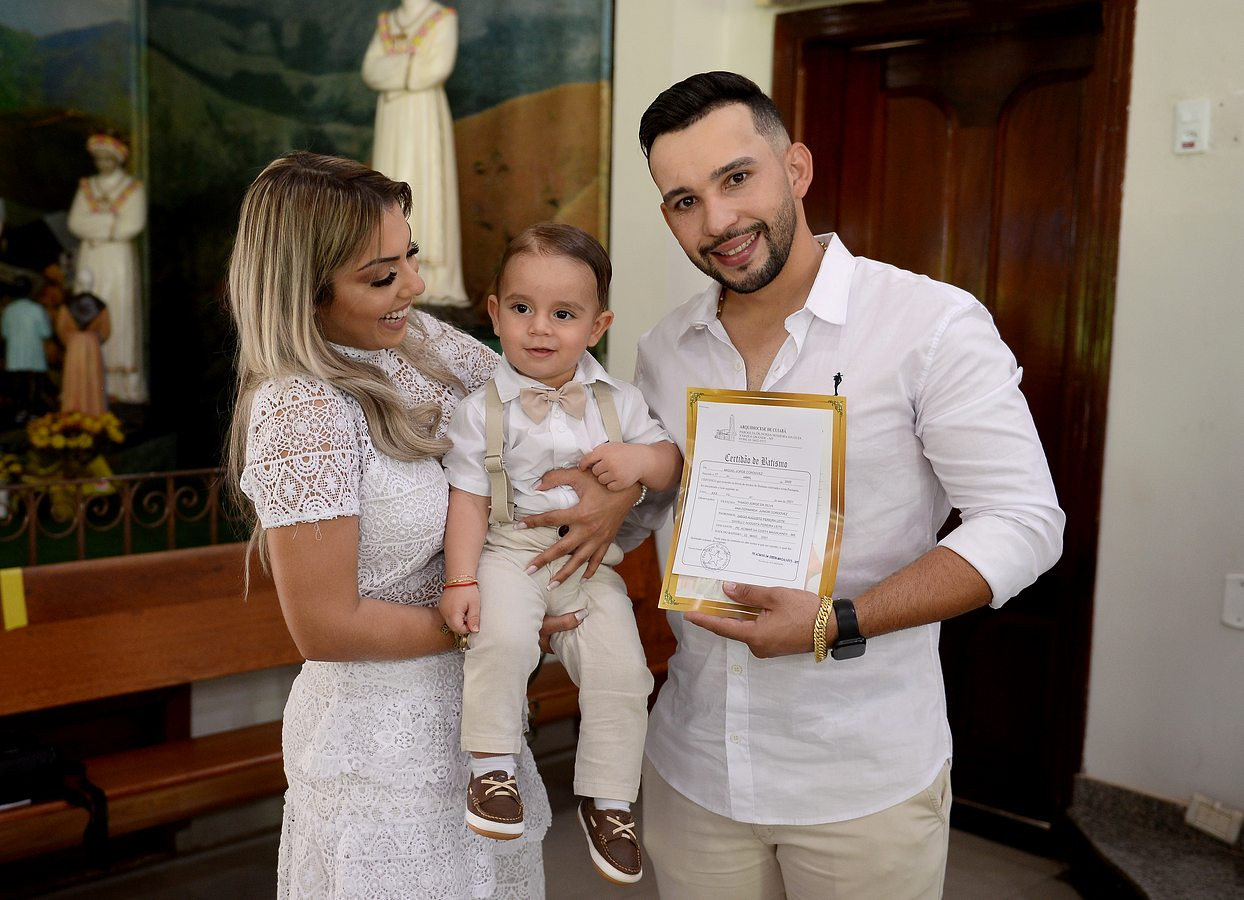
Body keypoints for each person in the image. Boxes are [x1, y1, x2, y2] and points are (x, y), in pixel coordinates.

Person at [628, 72, 1065, 899]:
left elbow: (1023, 521)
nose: (717, 221)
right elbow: (657, 505)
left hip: (859, 777)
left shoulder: (929, 324)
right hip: (694, 762)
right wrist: (593, 516)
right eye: (686, 201)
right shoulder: (664, 350)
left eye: (736, 178)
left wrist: (839, 620)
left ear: (795, 168)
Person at [227, 151, 584, 898]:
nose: (415, 287)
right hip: (378, 749)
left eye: (410, 257)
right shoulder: (300, 409)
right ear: (305, 289)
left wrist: (622, 478)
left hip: (476, 721)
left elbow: (538, 396)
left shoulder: (415, 340)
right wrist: (496, 625)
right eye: (382, 276)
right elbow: (326, 626)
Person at [439, 223, 681, 884]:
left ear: (598, 326)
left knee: (624, 670)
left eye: (564, 314)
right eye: (523, 308)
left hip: (589, 562)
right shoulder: (479, 410)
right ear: (495, 314)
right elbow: (468, 500)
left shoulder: (620, 402)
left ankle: (609, 801)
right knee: (502, 640)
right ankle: (492, 768)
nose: (540, 327)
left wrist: (640, 462)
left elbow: (669, 463)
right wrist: (460, 579)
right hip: (511, 551)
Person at [362, 0, 469, 307]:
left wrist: (394, 68)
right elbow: (371, 70)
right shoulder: (388, 21)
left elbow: (435, 69)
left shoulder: (442, 18)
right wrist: (410, 62)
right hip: (392, 117)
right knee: (389, 180)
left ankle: (434, 278)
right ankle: (389, 266)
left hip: (424, 114)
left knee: (426, 182)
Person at [67, 133, 146, 404]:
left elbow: (132, 224)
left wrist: (97, 225)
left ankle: (122, 387)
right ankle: (88, 380)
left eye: (107, 159)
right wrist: (110, 222)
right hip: (91, 256)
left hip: (117, 260)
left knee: (118, 311)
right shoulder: (87, 186)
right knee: (87, 305)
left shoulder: (132, 188)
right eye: (98, 159)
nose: (102, 164)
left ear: (118, 159)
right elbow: (75, 222)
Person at [56, 268, 110, 416]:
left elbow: (61, 328)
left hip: (74, 344)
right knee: (93, 378)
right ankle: (94, 412)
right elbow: (106, 330)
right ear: (92, 282)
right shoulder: (101, 305)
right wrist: (95, 340)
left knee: (73, 378)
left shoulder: (67, 305)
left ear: (79, 282)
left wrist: (70, 342)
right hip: (92, 344)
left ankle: (72, 411)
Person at [1, 275, 52, 422]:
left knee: (18, 387)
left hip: (15, 357)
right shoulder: (37, 309)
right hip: (35, 357)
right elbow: (46, 332)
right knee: (34, 387)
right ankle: (33, 413)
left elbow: (4, 333)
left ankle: (20, 413)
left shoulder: (9, 311)